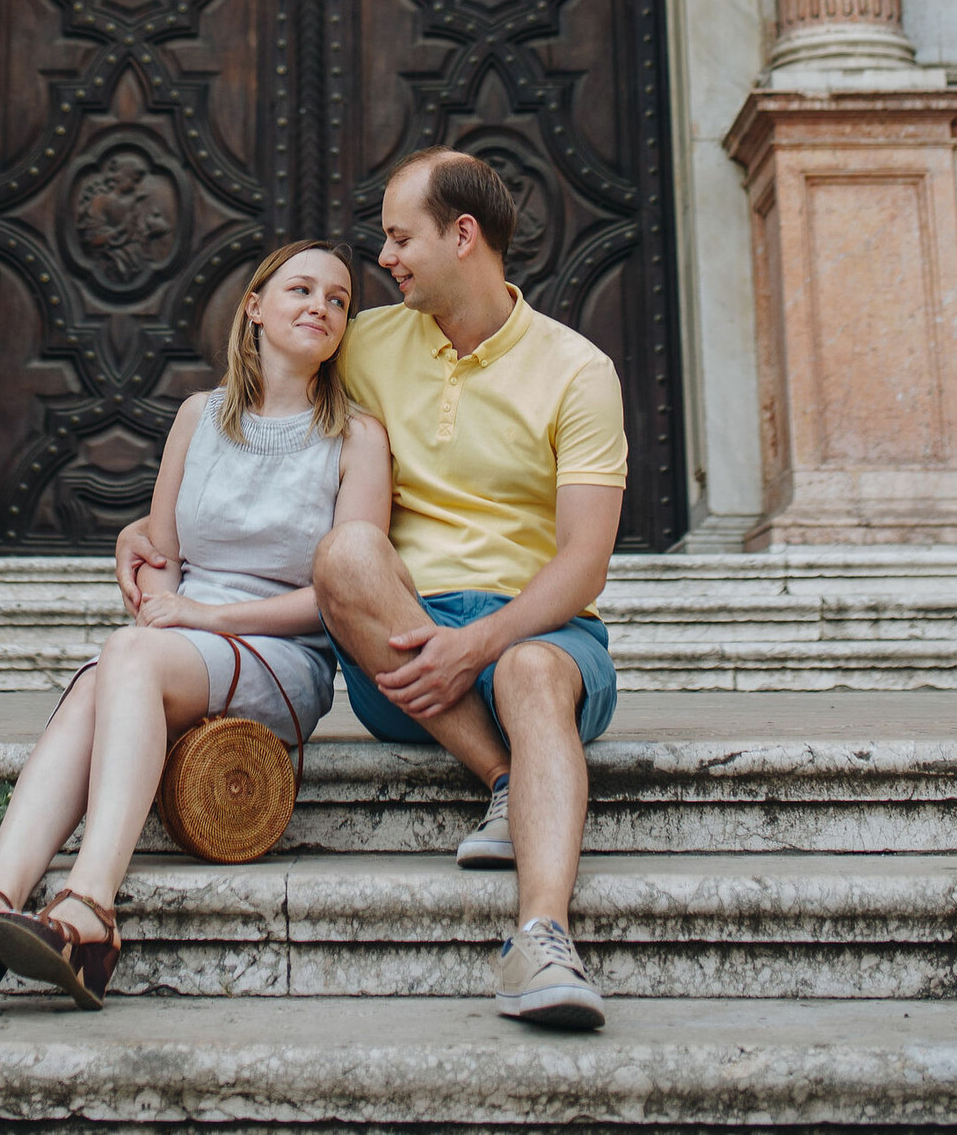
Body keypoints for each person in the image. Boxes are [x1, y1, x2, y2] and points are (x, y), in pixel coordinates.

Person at [118, 150, 626, 1029]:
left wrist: (483, 639)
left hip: (542, 638)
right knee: (348, 550)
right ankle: (510, 778)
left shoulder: (578, 371)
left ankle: (540, 940)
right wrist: (148, 527)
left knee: (529, 674)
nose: (381, 260)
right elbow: (260, 409)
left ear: (462, 236)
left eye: (398, 237)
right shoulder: (367, 345)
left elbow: (583, 563)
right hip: (401, 653)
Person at [0, 240, 391, 1011]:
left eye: (338, 299)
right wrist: (156, 600)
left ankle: (92, 908)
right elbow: (163, 552)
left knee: (125, 663)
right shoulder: (197, 418)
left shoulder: (357, 437)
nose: (320, 306)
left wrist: (203, 616)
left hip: (284, 656)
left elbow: (343, 595)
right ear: (255, 307)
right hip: (180, 644)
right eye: (301, 289)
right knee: (104, 679)